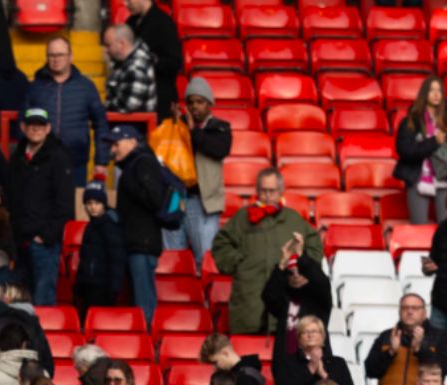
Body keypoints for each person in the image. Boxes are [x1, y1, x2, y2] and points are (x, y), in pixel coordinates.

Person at [212, 168, 324, 335]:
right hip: (249, 298)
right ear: (257, 191)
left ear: (280, 191)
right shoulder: (243, 218)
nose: (267, 195)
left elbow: (314, 245)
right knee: (247, 353)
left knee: (284, 351)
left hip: (284, 301)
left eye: (272, 191)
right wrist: (239, 264)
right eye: (263, 190)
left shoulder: (293, 219)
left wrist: (302, 269)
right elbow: (221, 243)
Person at [23, 36, 110, 189]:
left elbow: (101, 124)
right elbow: (23, 121)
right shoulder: (35, 87)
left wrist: (101, 161)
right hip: (40, 160)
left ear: (70, 57)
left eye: (60, 55)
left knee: (73, 208)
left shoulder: (86, 87)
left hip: (75, 162)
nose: (56, 59)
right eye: (51, 55)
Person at [7, 107, 73, 307]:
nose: (36, 129)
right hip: (20, 241)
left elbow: (65, 203)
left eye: (40, 125)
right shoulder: (17, 156)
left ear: (48, 128)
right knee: (19, 298)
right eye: (31, 125)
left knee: (43, 299)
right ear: (23, 127)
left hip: (43, 243)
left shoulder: (59, 157)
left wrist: (46, 235)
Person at [164, 77, 231, 266]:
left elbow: (219, 150)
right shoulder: (178, 125)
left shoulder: (220, 127)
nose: (195, 107)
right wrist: (175, 126)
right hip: (176, 199)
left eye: (200, 102)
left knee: (205, 259)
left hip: (204, 203)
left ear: (209, 104)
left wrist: (193, 131)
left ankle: (205, 296)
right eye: (191, 102)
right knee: (173, 257)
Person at [107, 124, 166, 324]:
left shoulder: (142, 163)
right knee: (138, 299)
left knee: (144, 303)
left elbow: (154, 199)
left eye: (116, 144)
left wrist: (130, 184)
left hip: (143, 243)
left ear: (133, 142)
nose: (112, 149)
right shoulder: (135, 165)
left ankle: (149, 341)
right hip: (137, 242)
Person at [262, 235, 334, 363]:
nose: (295, 276)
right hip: (288, 364)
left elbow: (321, 282)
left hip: (316, 362)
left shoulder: (319, 298)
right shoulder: (284, 300)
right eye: (291, 272)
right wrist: (281, 265)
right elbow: (269, 296)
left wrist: (302, 256)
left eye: (300, 271)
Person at [394, 75, 447, 224]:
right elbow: (405, 150)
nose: (436, 94)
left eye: (439, 91)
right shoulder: (411, 121)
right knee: (419, 229)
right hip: (418, 176)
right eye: (432, 90)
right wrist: (434, 141)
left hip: (444, 176)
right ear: (425, 94)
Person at [73, 182, 126, 321]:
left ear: (103, 203)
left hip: (104, 286)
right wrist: (80, 283)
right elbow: (84, 258)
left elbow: (117, 258)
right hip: (89, 285)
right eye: (89, 203)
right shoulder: (91, 227)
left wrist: (114, 288)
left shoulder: (110, 225)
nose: (92, 207)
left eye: (97, 203)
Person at [127, 0, 181, 120]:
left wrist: (150, 61)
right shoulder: (130, 23)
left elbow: (175, 63)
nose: (126, 4)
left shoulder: (164, 23)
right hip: (134, 100)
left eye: (128, 0)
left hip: (159, 103)